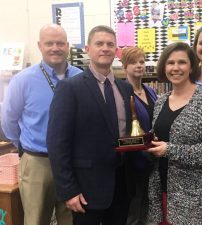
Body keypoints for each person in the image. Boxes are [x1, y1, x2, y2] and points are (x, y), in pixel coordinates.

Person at [47, 25, 132, 225]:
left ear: (116, 51)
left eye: (110, 44)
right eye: (99, 43)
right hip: (86, 188)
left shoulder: (125, 88)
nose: (105, 48)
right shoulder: (70, 88)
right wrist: (68, 191)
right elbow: (57, 144)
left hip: (121, 184)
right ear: (87, 49)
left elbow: (123, 133)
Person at [1, 24, 82, 225]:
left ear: (68, 46)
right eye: (49, 43)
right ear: (40, 45)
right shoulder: (22, 81)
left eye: (60, 43)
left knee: (71, 219)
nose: (55, 47)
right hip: (37, 161)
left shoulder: (81, 77)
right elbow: (8, 120)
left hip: (72, 162)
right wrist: (23, 146)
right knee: (36, 220)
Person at [146, 42, 202, 224]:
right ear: (164, 67)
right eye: (170, 63)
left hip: (196, 197)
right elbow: (158, 137)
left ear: (191, 67)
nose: (176, 68)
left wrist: (170, 150)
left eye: (182, 62)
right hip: (161, 190)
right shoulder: (161, 101)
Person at [120, 47, 158, 225]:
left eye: (142, 62)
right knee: (134, 209)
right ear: (125, 66)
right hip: (134, 161)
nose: (139, 65)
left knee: (148, 207)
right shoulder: (121, 93)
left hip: (153, 157)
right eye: (133, 62)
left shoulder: (150, 91)